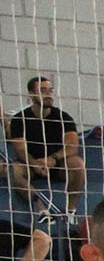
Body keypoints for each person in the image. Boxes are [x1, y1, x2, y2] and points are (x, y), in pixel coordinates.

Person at [8, 76, 86, 209]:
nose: (48, 94)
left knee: (77, 164)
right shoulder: (19, 119)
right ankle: (41, 208)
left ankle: (70, 210)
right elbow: (20, 150)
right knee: (13, 170)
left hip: (57, 164)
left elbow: (72, 147)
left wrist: (52, 159)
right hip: (30, 164)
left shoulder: (63, 117)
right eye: (43, 90)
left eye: (50, 90)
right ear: (32, 94)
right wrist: (34, 163)